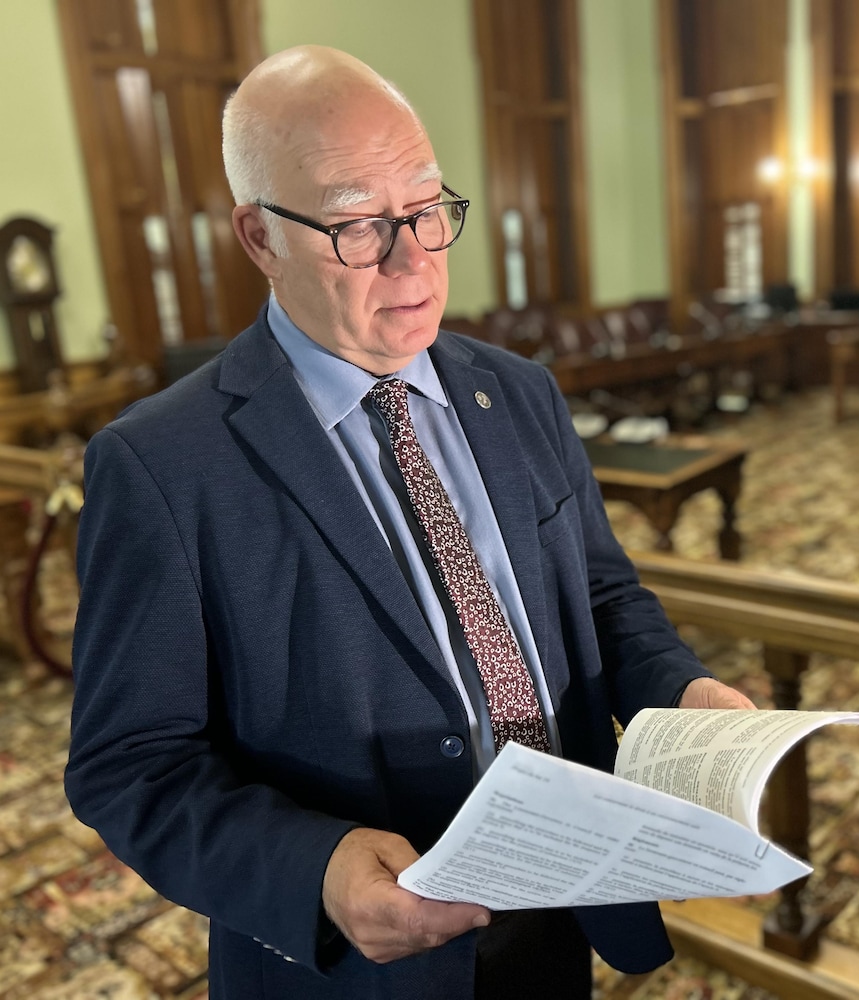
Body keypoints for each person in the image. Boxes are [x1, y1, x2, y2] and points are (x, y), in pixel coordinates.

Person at [65, 45, 754, 1000]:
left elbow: (598, 592)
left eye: (429, 210)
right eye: (358, 225)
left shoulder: (519, 393)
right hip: (359, 966)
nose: (415, 258)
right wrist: (316, 867)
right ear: (260, 237)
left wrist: (684, 690)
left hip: (559, 907)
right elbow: (129, 763)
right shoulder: (162, 466)